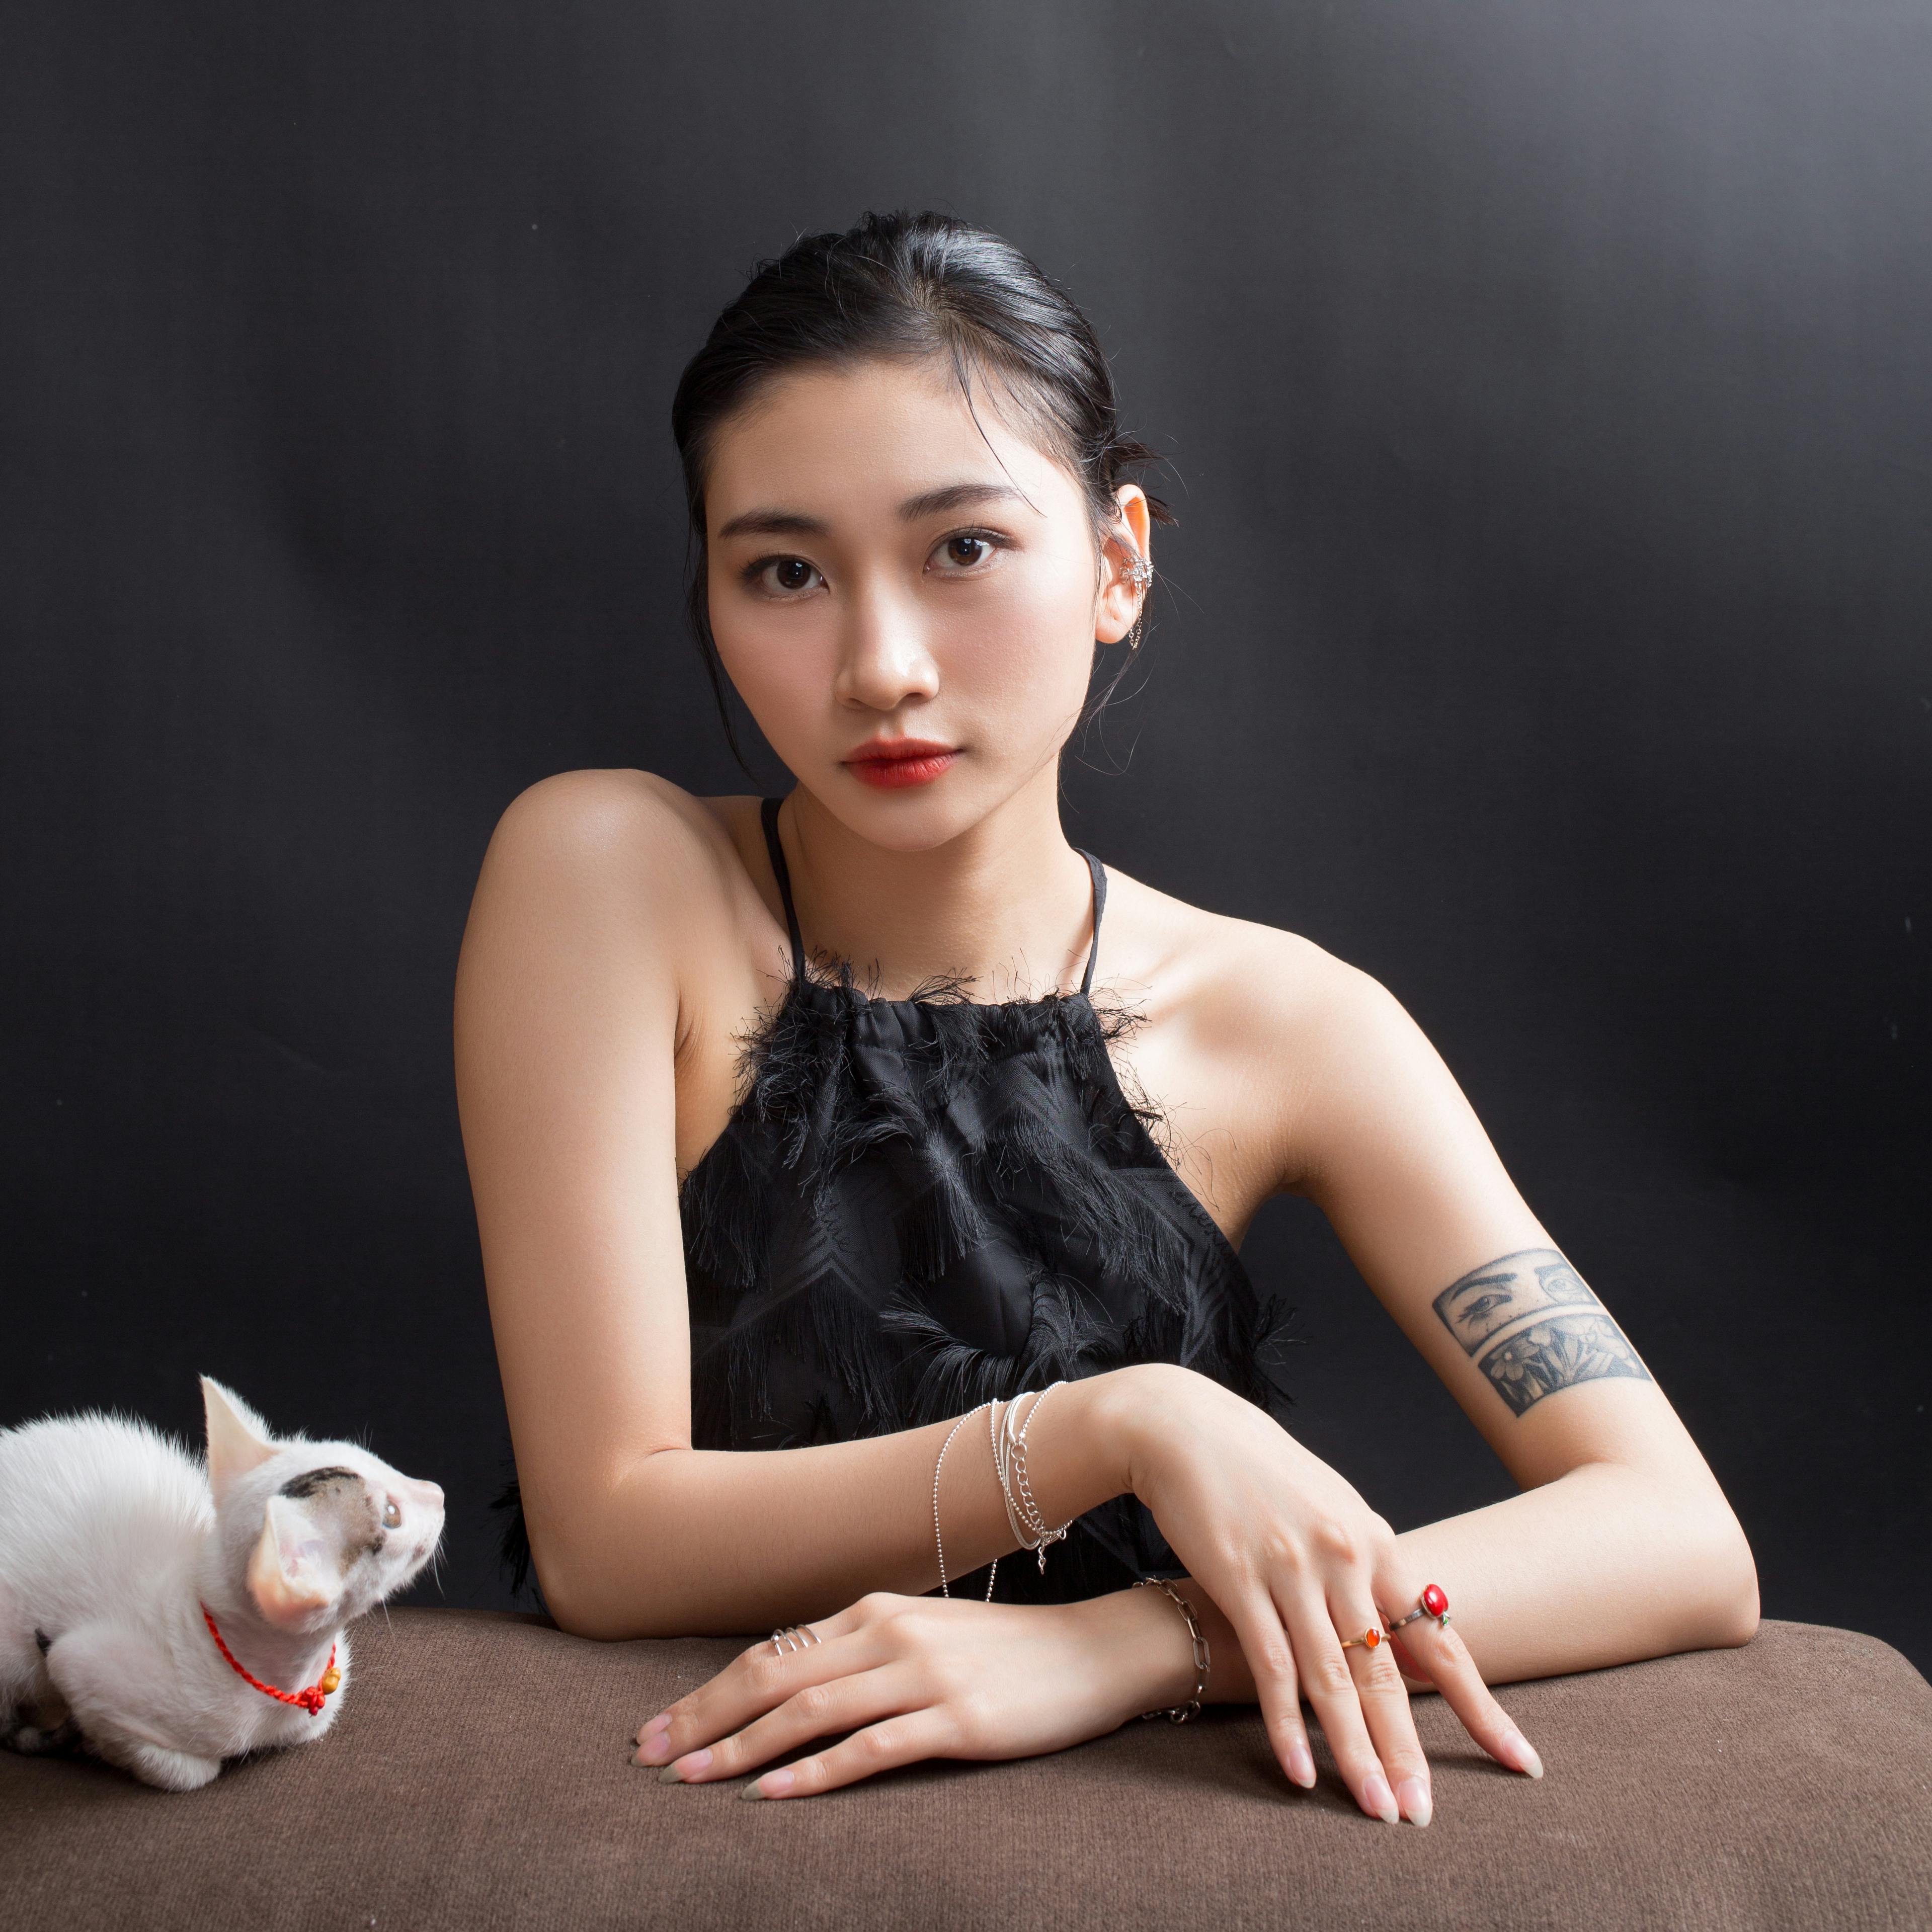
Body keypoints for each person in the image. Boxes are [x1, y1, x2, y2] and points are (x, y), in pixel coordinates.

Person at [453, 210, 1757, 1824]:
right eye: (785, 571)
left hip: (1161, 1831)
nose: (882, 664)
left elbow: (1681, 1537)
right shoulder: (611, 876)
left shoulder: (1284, 1019)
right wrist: (1120, 1423)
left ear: (1118, 561)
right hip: (698, 1815)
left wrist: (1125, 1648)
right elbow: (603, 1539)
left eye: (963, 548)